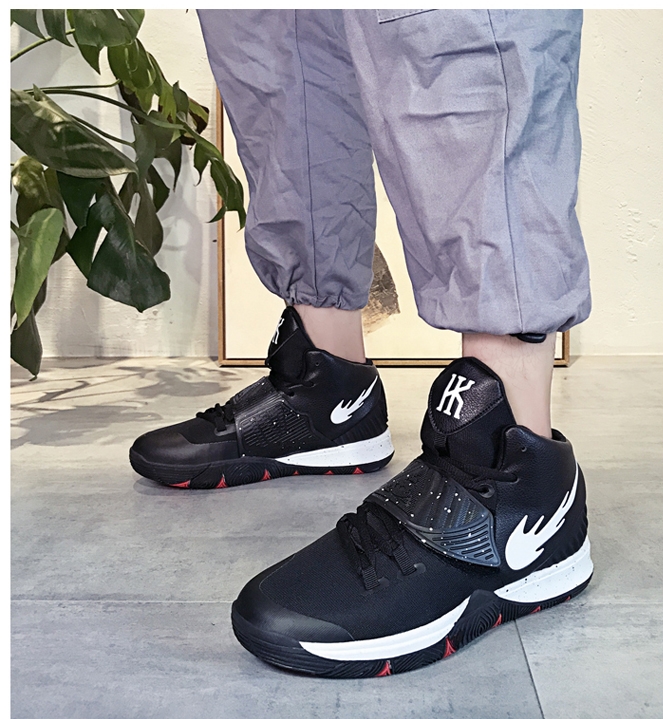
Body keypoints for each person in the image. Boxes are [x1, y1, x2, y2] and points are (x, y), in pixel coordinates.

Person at [130, 9, 594, 678]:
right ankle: (328, 386)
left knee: (452, 29)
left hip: (512, 487)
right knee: (275, 40)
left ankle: (515, 479)